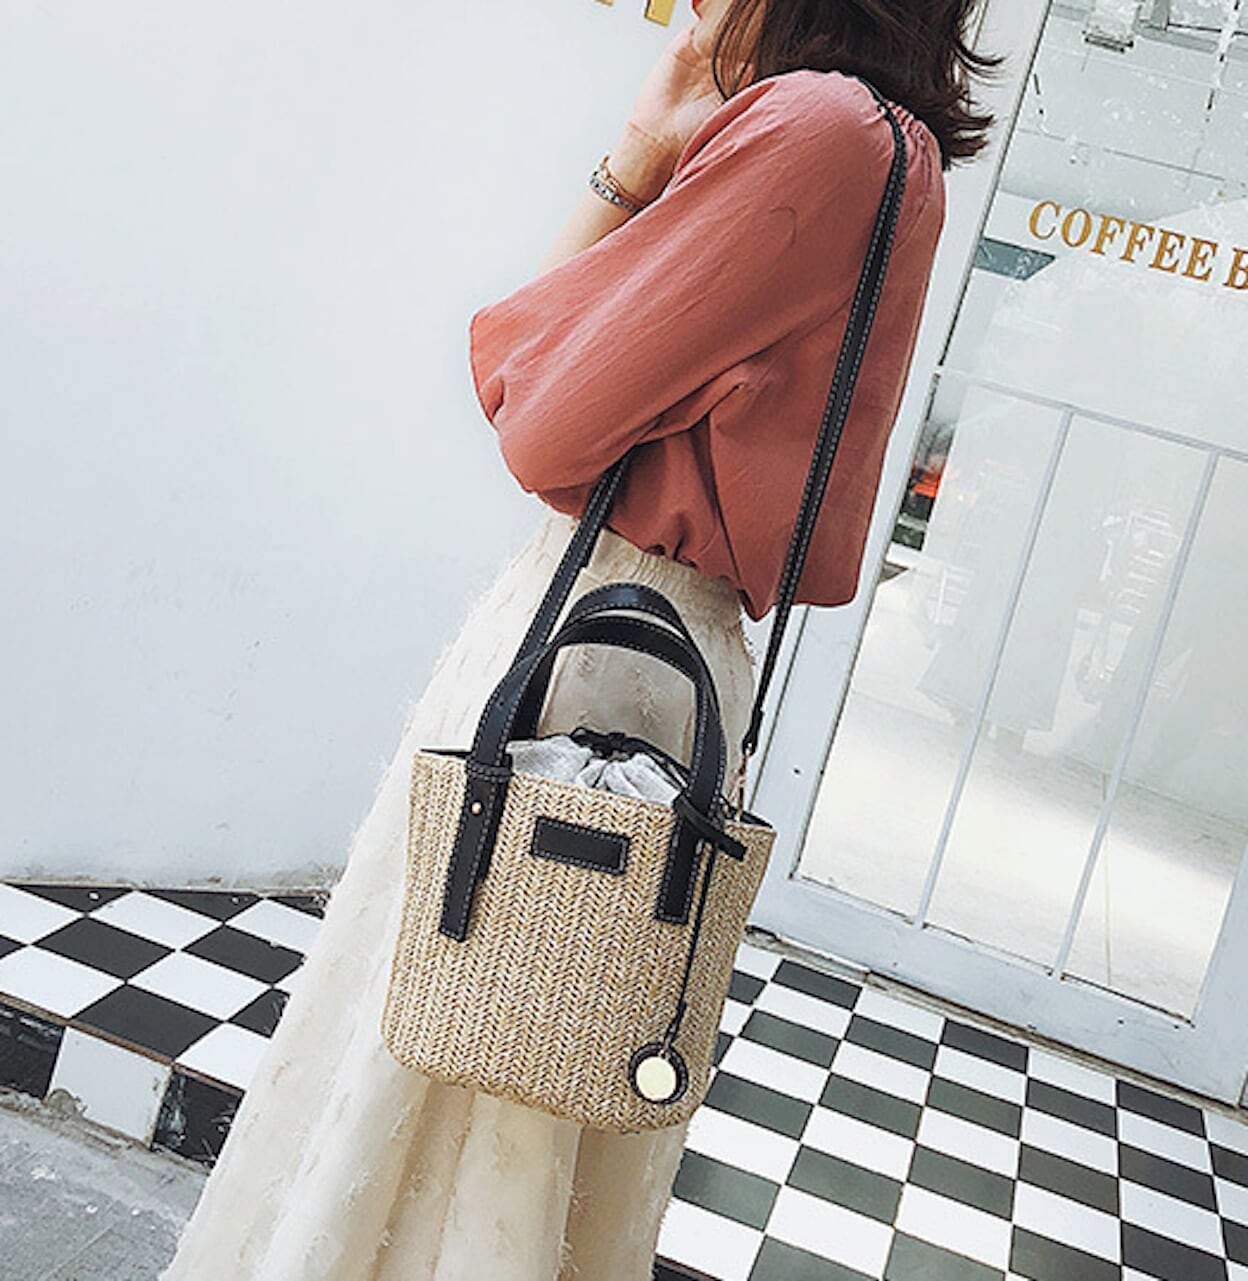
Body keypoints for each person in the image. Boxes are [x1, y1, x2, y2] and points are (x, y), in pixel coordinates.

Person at [158, 2, 1000, 1278]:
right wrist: (660, 145)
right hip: (670, 654)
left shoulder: (812, 130)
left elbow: (537, 414)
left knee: (463, 1060)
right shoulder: (890, 146)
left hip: (592, 653)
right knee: (522, 1079)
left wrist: (633, 159)